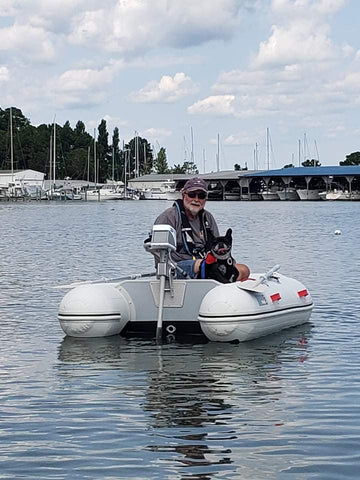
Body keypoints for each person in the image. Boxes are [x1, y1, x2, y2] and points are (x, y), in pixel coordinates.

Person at [153, 177, 250, 280]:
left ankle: (224, 287)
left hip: (207, 263)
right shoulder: (168, 217)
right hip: (176, 267)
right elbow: (157, 253)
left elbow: (217, 249)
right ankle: (221, 283)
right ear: (183, 195)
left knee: (244, 270)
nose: (196, 199)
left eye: (201, 196)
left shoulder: (208, 218)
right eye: (192, 195)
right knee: (207, 265)